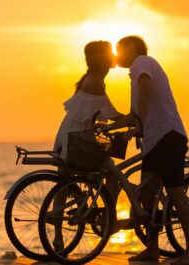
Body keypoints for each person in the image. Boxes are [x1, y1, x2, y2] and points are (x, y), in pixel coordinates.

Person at [100, 36, 189, 265]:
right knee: (147, 194)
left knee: (175, 192)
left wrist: (138, 125)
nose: (116, 55)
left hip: (168, 135)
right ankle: (152, 249)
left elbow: (145, 93)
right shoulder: (135, 72)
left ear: (132, 48)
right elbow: (134, 112)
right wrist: (110, 126)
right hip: (154, 141)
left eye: (119, 49)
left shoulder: (142, 63)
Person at [52, 40, 148, 252]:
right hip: (77, 139)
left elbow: (101, 116)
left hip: (73, 136)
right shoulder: (95, 82)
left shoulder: (92, 79)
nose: (114, 56)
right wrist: (136, 120)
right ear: (102, 59)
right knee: (113, 174)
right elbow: (112, 115)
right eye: (110, 53)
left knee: (65, 181)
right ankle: (110, 219)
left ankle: (58, 238)